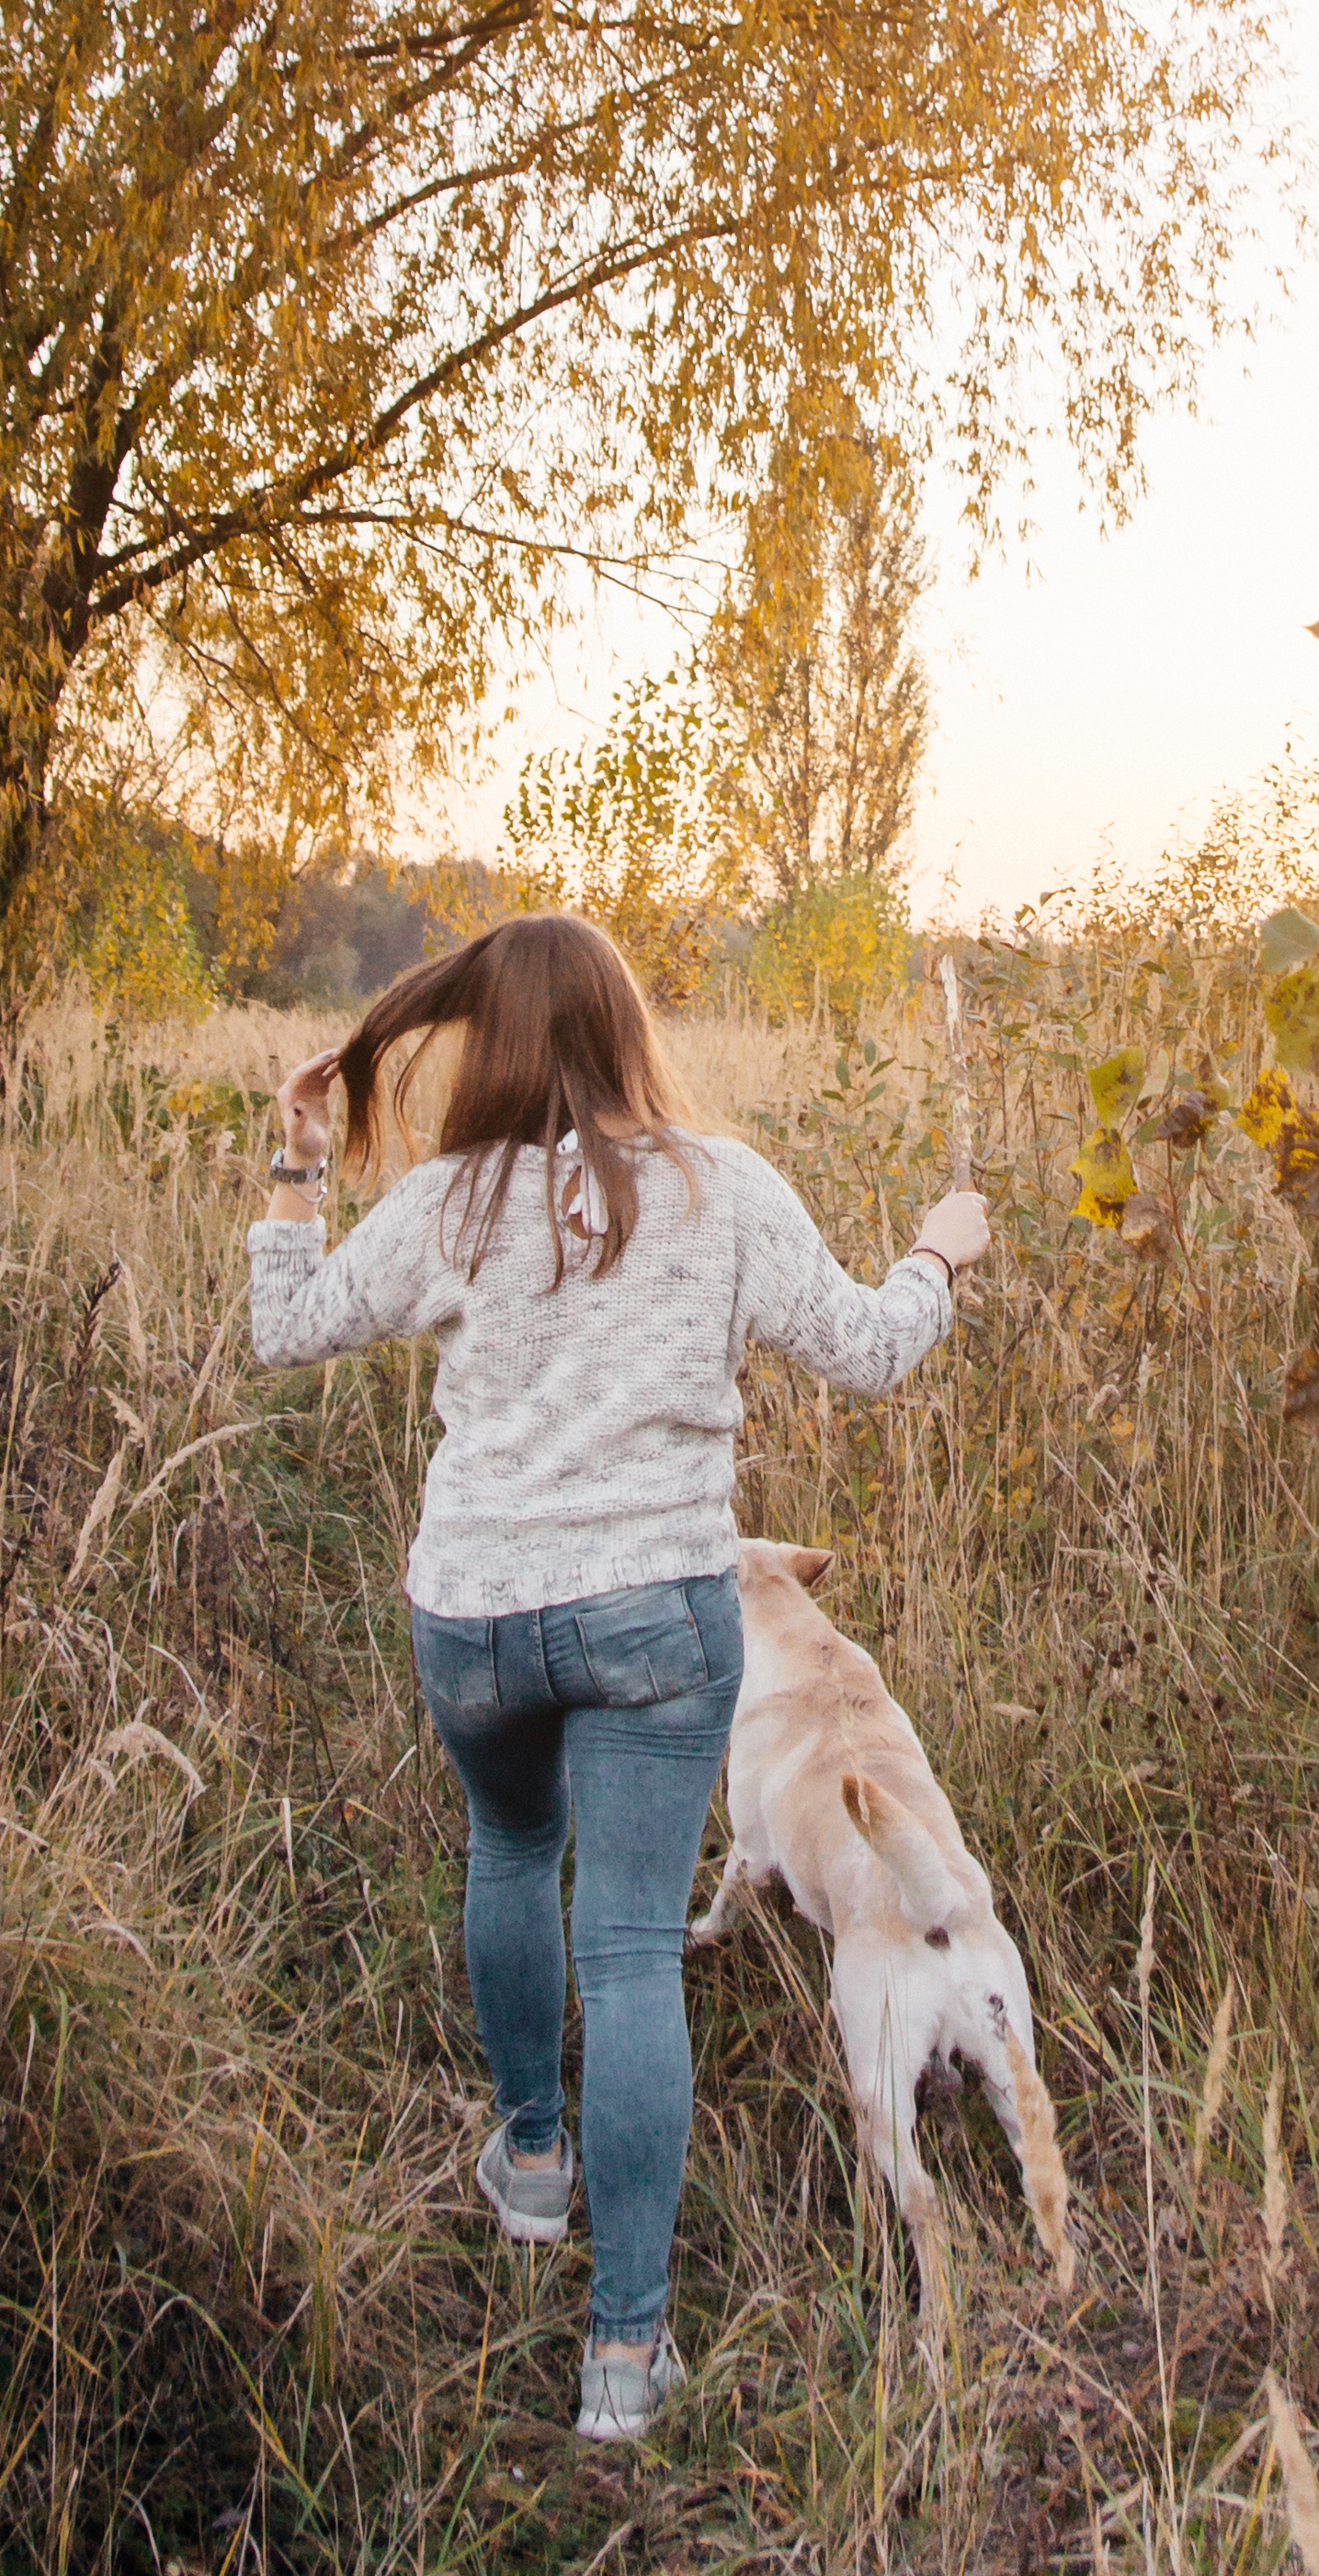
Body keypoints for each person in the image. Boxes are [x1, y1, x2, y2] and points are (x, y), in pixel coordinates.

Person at [245, 914, 988, 2441]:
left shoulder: (450, 1200)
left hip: (474, 1615)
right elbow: (863, 1351)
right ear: (624, 1026)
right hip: (657, 1616)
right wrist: (937, 1254)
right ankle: (624, 2357)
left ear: (487, 1044)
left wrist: (300, 1160)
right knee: (634, 1949)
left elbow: (282, 1326)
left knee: (510, 1852)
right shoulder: (721, 1187)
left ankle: (529, 2160)